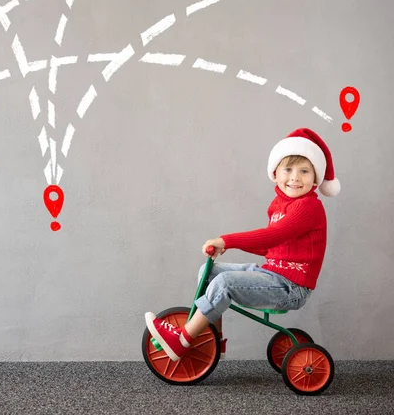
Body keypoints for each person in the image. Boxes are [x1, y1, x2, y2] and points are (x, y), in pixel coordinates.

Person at [145, 128, 340, 362]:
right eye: (288, 169)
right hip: (272, 274)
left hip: (292, 287)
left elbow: (273, 236)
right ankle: (214, 338)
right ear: (275, 174)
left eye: (304, 171)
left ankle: (183, 340)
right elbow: (269, 248)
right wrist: (227, 247)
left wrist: (228, 240)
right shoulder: (278, 205)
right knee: (208, 271)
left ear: (316, 179)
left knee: (225, 283)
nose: (295, 177)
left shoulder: (309, 207)